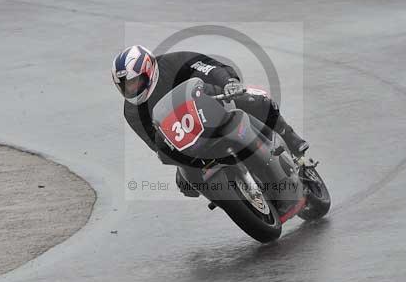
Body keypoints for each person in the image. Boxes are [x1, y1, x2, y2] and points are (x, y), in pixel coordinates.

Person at [112, 45, 309, 196]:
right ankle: (232, 197)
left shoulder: (174, 62)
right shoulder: (132, 111)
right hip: (187, 140)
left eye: (135, 82)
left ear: (149, 71)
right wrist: (176, 160)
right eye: (126, 86)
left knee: (256, 101)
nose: (132, 89)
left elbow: (210, 68)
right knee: (186, 186)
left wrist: (228, 83)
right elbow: (153, 141)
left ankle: (292, 141)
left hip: (214, 104)